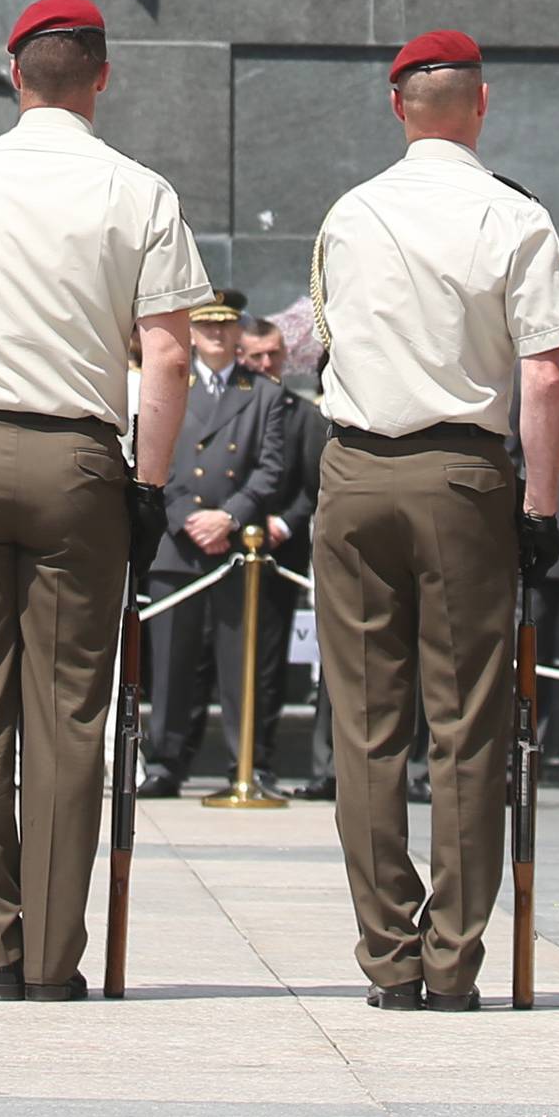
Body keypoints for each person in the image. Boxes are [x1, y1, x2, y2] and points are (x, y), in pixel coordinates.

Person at [0, 0, 206, 1003]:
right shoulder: (141, 190)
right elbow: (166, 354)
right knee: (70, 715)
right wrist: (151, 484)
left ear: (14, 72)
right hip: (78, 454)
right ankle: (50, 957)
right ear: (103, 76)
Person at [312, 27, 559, 1011]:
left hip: (357, 471)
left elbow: (329, 334)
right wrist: (541, 503)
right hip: (464, 473)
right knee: (467, 725)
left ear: (396, 106)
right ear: (483, 101)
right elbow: (545, 370)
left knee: (366, 726)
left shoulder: (350, 213)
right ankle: (455, 958)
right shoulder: (516, 217)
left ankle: (390, 953)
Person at [138, 290, 288, 800]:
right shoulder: (168, 380)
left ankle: (247, 760)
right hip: (178, 543)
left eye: (225, 326)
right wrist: (185, 516)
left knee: (241, 664)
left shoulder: (262, 393)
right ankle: (165, 760)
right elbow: (151, 451)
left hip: (235, 546)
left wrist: (229, 516)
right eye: (207, 326)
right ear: (192, 330)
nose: (216, 335)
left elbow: (271, 468)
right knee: (171, 664)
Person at [239, 314, 329, 796]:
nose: (267, 363)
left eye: (274, 354)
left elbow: (310, 483)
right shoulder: (223, 407)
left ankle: (261, 760)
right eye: (256, 356)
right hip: (221, 547)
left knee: (268, 661)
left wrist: (283, 522)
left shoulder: (302, 414)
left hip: (278, 548)